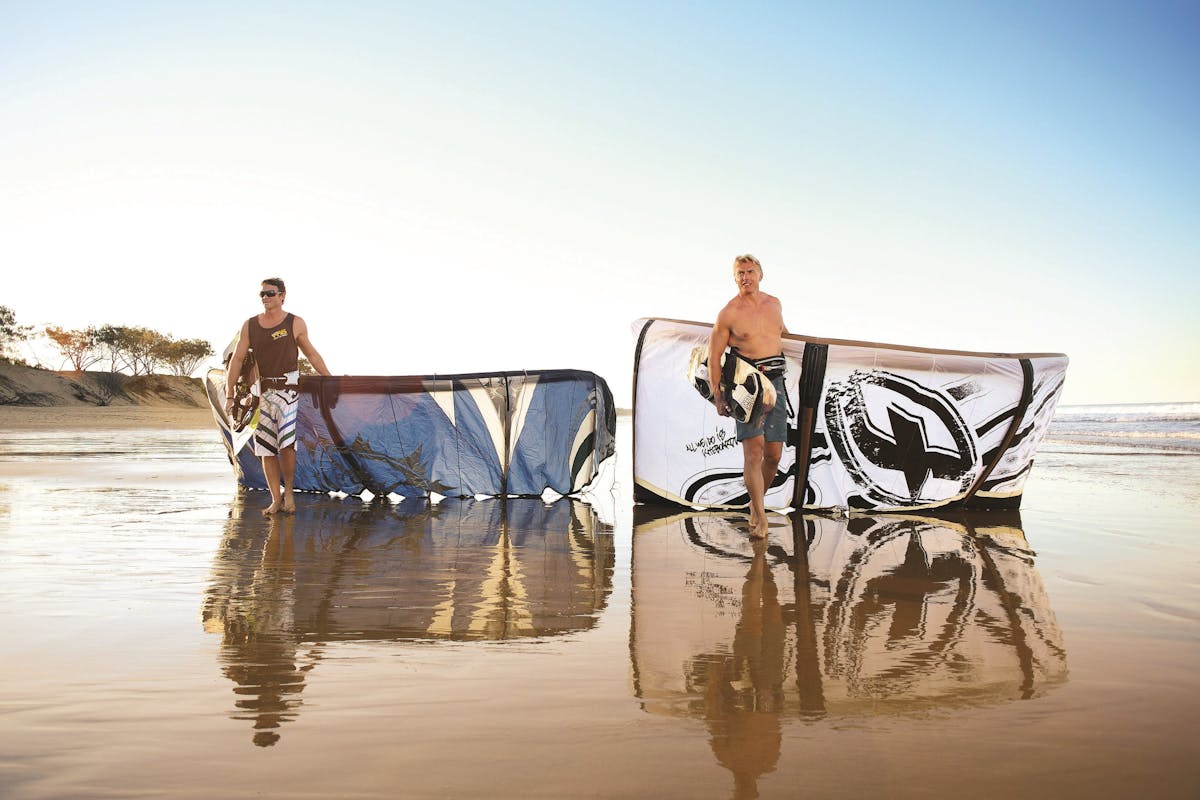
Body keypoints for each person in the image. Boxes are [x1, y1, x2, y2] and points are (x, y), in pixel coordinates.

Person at [225, 278, 331, 515]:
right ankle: (275, 499)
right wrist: (230, 394)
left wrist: (329, 378)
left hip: (289, 392)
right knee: (265, 448)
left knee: (286, 445)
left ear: (282, 296)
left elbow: (311, 354)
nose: (265, 298)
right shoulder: (250, 325)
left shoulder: (295, 323)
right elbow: (238, 359)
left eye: (270, 293)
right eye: (262, 294)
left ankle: (289, 492)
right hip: (261, 395)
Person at [708, 254, 788, 539]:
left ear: (760, 275)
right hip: (746, 384)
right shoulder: (728, 313)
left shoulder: (774, 304)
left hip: (776, 382)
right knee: (753, 452)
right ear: (735, 278)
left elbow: (782, 336)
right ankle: (761, 516)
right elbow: (714, 356)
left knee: (774, 454)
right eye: (740, 273)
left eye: (750, 272)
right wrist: (718, 395)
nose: (745, 277)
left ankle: (756, 506)